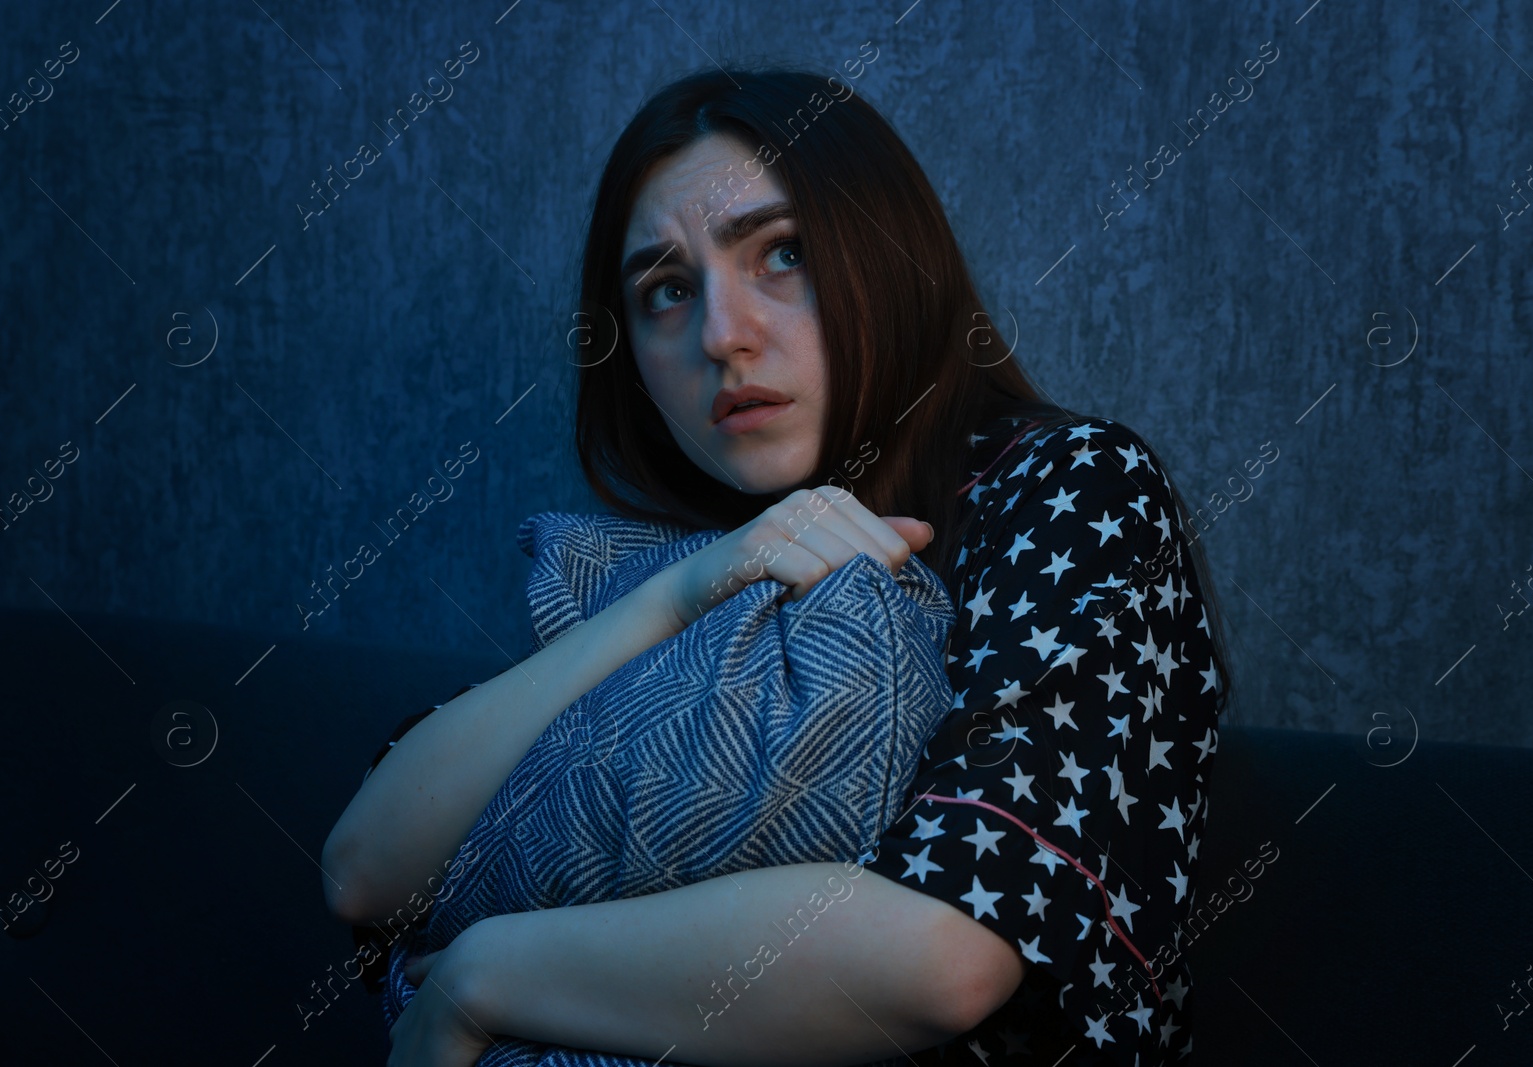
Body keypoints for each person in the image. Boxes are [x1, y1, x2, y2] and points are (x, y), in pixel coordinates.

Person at [320, 64, 1233, 1067]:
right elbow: (366, 872)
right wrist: (678, 592)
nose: (722, 335)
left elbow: (941, 952)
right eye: (666, 290)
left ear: (888, 253)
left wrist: (480, 974)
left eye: (781, 253)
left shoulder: (1073, 486)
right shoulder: (667, 559)